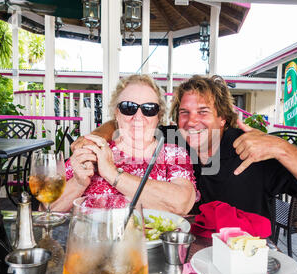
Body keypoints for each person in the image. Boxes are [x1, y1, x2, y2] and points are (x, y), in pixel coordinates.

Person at [71, 75, 297, 220]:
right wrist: (95, 136)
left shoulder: (250, 149)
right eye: (184, 112)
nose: (192, 122)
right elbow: (127, 118)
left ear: (222, 119)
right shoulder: (171, 139)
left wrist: (282, 148)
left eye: (203, 112)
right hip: (188, 260)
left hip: (242, 262)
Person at [51, 74, 197, 215]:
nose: (138, 117)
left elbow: (181, 204)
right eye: (128, 107)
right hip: (92, 238)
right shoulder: (93, 149)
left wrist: (112, 173)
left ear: (158, 116)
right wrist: (79, 183)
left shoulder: (173, 154)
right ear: (116, 113)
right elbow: (47, 208)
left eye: (149, 109)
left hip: (150, 240)